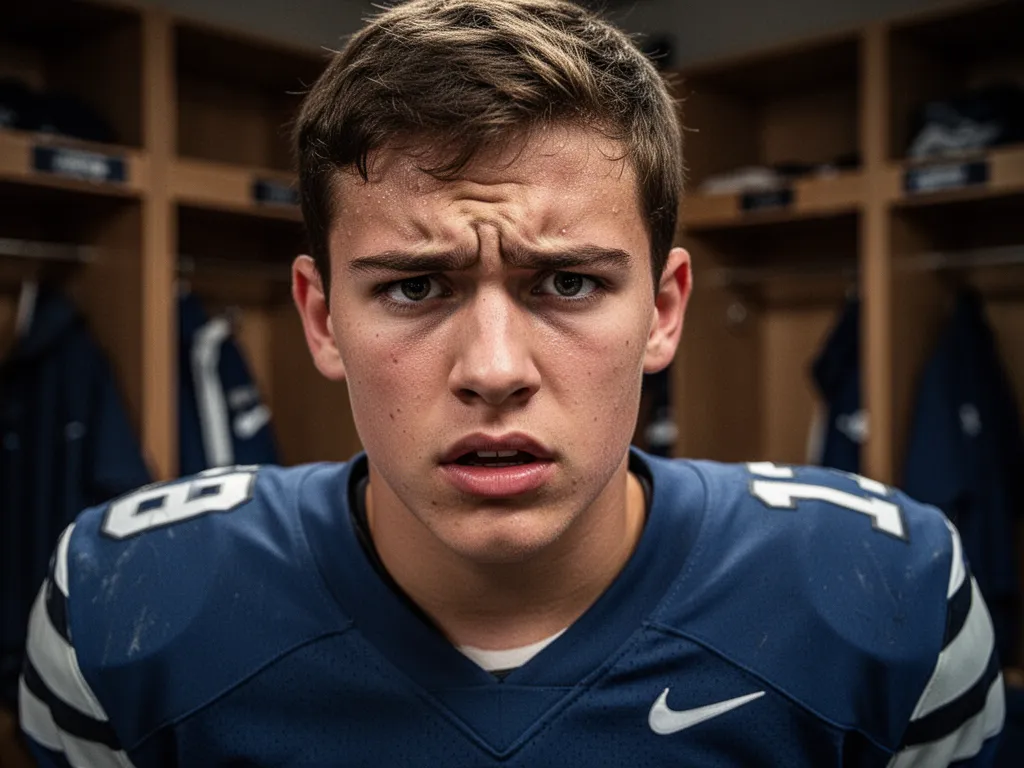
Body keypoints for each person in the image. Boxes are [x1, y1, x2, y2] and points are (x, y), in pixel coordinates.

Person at [17, 0, 1005, 765]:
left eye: (568, 283)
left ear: (664, 309)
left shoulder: (886, 596)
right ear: (321, 317)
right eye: (414, 286)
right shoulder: (126, 605)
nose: (493, 370)